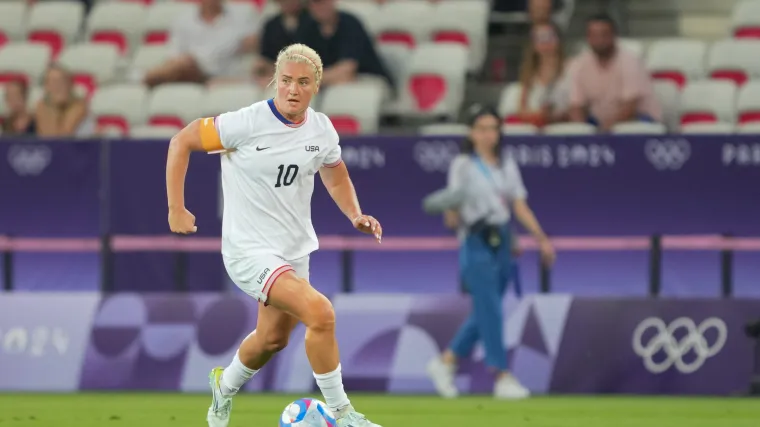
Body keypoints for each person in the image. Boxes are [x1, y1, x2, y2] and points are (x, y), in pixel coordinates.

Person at [165, 43, 383, 427]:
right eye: (285, 81)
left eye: (302, 82)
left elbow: (334, 172)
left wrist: (355, 213)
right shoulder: (245, 123)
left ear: (316, 85)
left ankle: (224, 387)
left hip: (293, 252)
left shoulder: (321, 129)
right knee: (321, 314)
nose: (292, 90)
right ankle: (343, 414)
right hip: (249, 251)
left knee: (272, 340)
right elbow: (181, 140)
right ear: (274, 82)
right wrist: (176, 208)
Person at [423, 104, 556, 400]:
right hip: (475, 240)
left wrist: (539, 238)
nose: (487, 134)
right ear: (472, 133)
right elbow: (452, 204)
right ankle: (502, 375)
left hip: (502, 242)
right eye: (481, 128)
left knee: (486, 309)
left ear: (499, 133)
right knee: (492, 310)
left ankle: (445, 362)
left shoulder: (506, 164)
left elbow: (517, 205)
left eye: (492, 128)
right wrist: (450, 213)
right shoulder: (464, 165)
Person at [567, 13, 661, 131]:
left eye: (604, 35)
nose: (599, 40)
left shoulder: (630, 61)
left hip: (638, 119)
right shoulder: (579, 64)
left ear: (614, 36)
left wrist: (603, 132)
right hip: (599, 122)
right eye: (594, 35)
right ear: (588, 37)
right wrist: (580, 131)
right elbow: (576, 106)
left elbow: (629, 108)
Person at [516, 21, 570, 127]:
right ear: (533, 45)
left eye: (550, 37)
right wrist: (538, 116)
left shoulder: (571, 68)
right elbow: (521, 110)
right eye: (540, 38)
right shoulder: (529, 73)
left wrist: (553, 115)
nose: (546, 42)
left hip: (564, 128)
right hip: (535, 128)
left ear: (558, 40)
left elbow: (577, 106)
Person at [34, 65, 90, 137]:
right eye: (54, 82)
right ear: (46, 87)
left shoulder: (79, 106)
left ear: (70, 85)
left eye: (62, 81)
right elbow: (48, 139)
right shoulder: (41, 107)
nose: (58, 86)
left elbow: (62, 138)